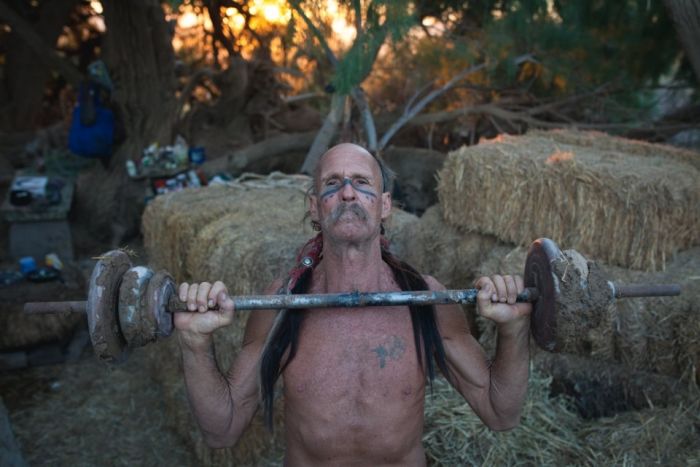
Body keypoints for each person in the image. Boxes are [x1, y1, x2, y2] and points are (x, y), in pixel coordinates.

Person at [176, 143, 532, 466]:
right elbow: (222, 430)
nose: (347, 193)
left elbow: (500, 413)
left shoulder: (426, 300)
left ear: (385, 205)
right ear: (315, 208)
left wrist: (513, 330)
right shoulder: (281, 305)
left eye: (362, 183)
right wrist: (195, 344)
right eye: (332, 184)